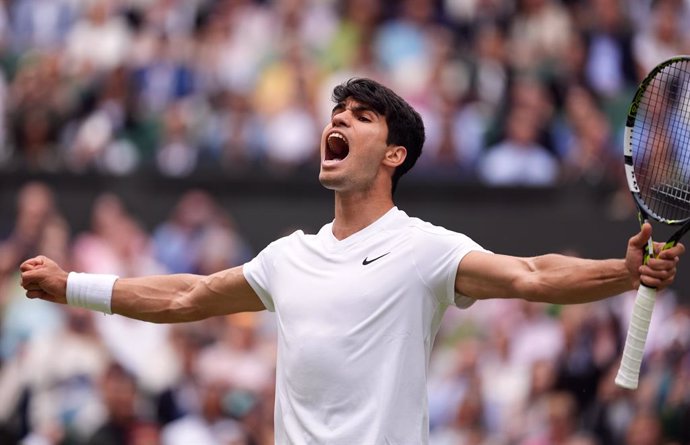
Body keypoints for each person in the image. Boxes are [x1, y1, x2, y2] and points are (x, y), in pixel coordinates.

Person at [19, 78, 685, 444]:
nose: (338, 118)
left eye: (361, 116)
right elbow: (184, 295)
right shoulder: (288, 257)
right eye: (338, 110)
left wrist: (623, 273)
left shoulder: (425, 248)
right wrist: (71, 286)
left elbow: (533, 274)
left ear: (394, 154)